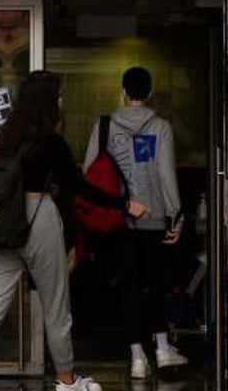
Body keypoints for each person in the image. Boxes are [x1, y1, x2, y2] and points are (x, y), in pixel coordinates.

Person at [0, 70, 148, 391]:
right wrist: (123, 204)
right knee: (56, 304)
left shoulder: (5, 134)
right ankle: (66, 379)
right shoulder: (51, 142)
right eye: (57, 95)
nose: (61, 100)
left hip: (3, 223)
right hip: (37, 218)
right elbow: (80, 188)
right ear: (48, 101)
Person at [83, 66, 186, 379]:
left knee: (128, 287)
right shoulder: (162, 127)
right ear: (149, 93)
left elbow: (89, 172)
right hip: (154, 219)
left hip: (119, 220)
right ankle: (163, 350)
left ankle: (137, 358)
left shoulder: (103, 126)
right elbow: (167, 174)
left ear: (123, 92)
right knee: (156, 284)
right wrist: (175, 215)